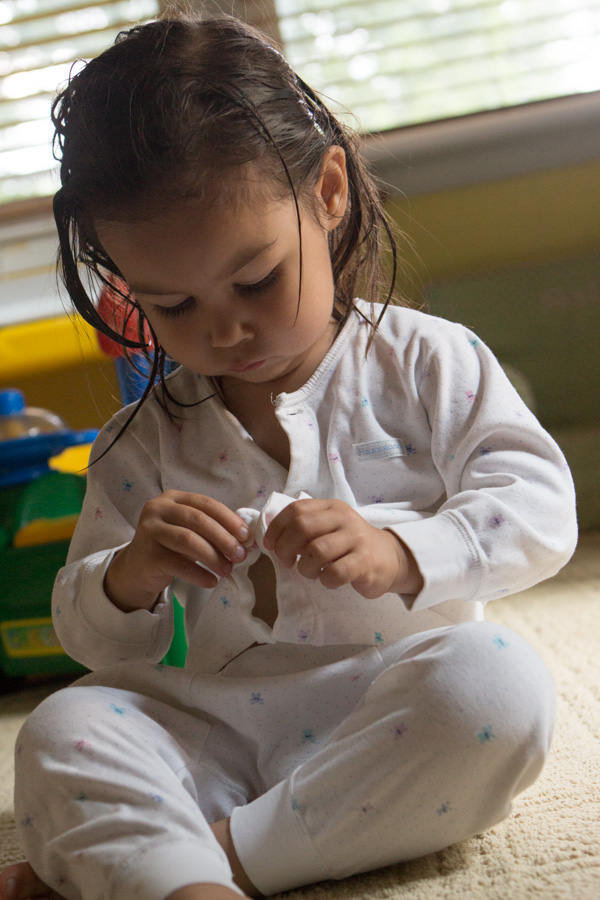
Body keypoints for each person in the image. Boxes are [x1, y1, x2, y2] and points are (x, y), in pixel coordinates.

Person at [0, 11, 577, 900]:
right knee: (61, 729)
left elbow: (540, 507)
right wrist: (131, 575)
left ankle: (200, 862)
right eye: (172, 306)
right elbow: (86, 635)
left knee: (501, 689)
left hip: (394, 708)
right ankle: (179, 859)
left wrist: (403, 551)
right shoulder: (140, 440)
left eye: (256, 280)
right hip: (213, 728)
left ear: (329, 192)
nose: (225, 329)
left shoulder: (429, 362)